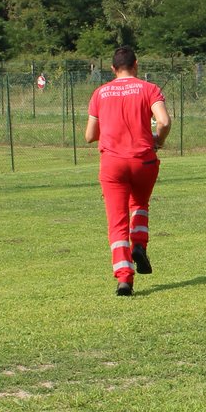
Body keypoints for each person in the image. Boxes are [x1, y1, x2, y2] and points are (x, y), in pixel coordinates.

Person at [86, 47, 170, 296]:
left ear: (113, 68)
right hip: (143, 160)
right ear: (136, 64)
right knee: (140, 205)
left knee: (117, 220)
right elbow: (164, 121)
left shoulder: (100, 93)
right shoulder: (149, 88)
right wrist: (158, 140)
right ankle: (140, 245)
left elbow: (90, 135)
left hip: (112, 163)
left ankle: (124, 277)